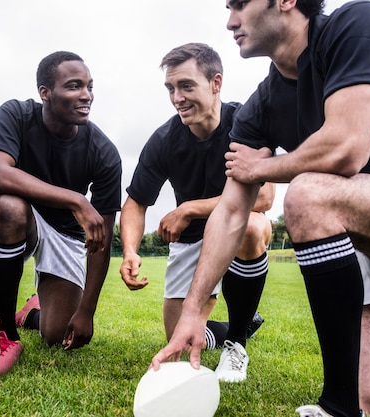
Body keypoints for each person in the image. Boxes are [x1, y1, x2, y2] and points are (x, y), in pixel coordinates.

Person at [151, 1, 370, 416]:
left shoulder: (356, 24)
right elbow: (231, 212)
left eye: (240, 4)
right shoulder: (259, 106)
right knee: (369, 396)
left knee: (308, 193)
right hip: (368, 238)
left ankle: (337, 408)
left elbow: (346, 147)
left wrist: (262, 168)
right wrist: (192, 312)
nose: (230, 21)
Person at [120, 43, 273, 383]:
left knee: (249, 227)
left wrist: (190, 208)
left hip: (236, 228)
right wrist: (130, 250)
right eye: (171, 89)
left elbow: (264, 195)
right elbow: (135, 202)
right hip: (190, 242)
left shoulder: (245, 122)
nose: (177, 97)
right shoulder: (164, 138)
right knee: (180, 338)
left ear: (215, 83)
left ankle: (236, 343)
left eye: (186, 86)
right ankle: (240, 322)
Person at [0, 51, 122, 374]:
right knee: (7, 207)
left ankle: (33, 311)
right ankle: (5, 330)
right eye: (74, 86)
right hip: (27, 218)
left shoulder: (103, 152)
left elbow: (101, 240)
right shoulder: (16, 114)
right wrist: (76, 200)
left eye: (89, 87)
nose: (86, 95)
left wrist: (87, 310)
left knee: (58, 334)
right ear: (45, 92)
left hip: (66, 234)